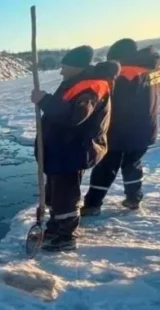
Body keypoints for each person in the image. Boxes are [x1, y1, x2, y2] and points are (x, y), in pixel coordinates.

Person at [31, 46, 120, 252]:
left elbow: (75, 115)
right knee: (56, 194)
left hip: (72, 150)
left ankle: (65, 237)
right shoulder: (77, 82)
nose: (61, 71)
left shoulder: (91, 87)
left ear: (76, 67)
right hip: (62, 149)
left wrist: (44, 100)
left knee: (65, 196)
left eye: (65, 66)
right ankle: (55, 228)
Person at [82, 39, 160, 215]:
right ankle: (134, 198)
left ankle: (92, 204)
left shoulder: (125, 73)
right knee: (132, 163)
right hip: (146, 128)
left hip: (121, 129)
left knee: (106, 165)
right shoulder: (153, 68)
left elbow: (115, 102)